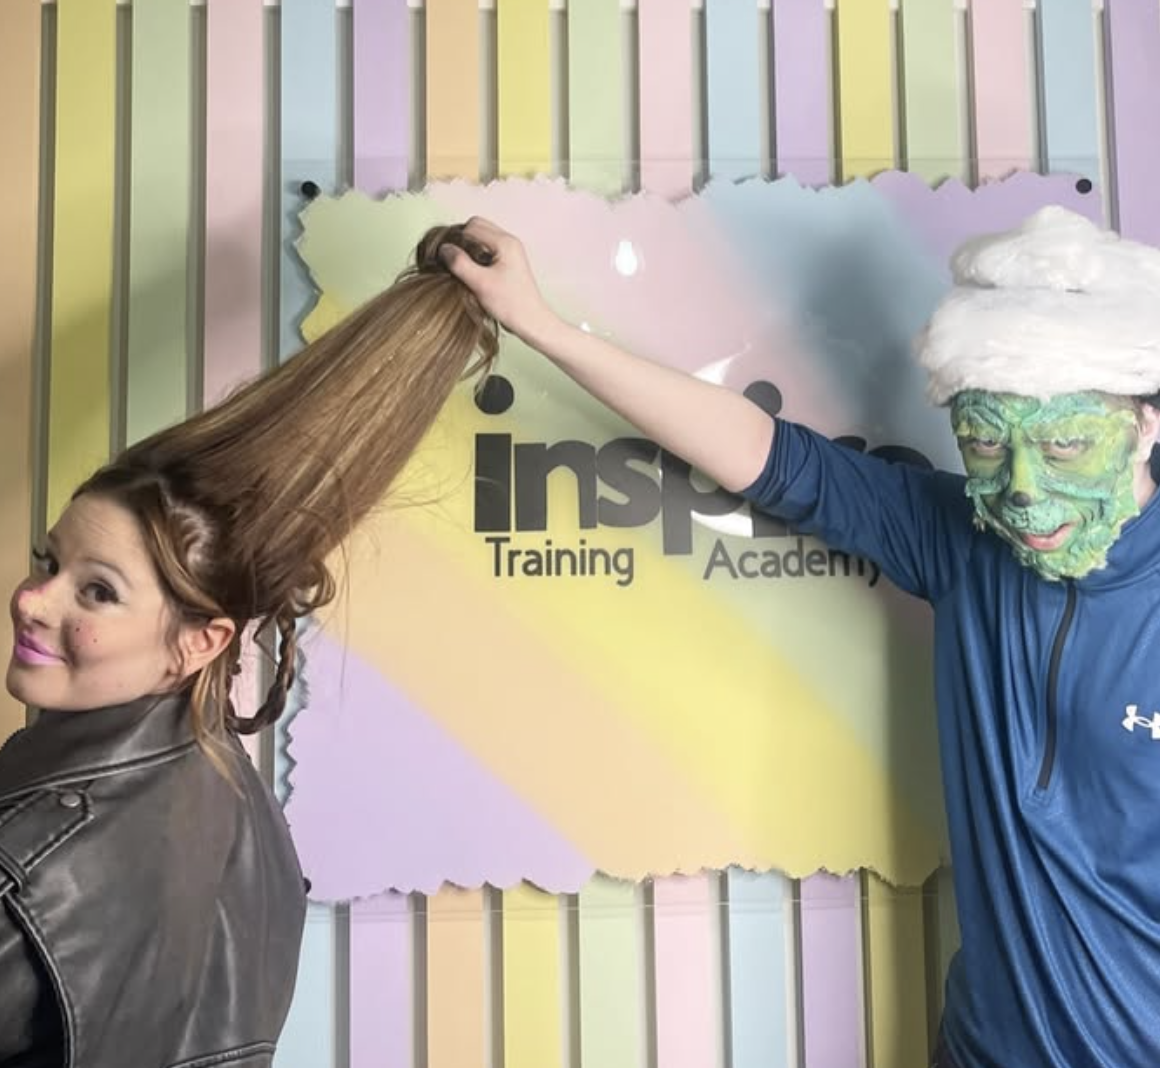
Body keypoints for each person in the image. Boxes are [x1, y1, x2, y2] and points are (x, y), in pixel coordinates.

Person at [444, 209, 1160, 1068]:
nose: (1024, 490)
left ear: (1146, 424)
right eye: (983, 444)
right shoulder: (963, 541)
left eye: (1068, 445)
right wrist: (544, 325)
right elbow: (766, 453)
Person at [0, 225, 499, 1067]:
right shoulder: (246, 815)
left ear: (198, 643)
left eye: (97, 591)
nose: (31, 599)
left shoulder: (30, 876)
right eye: (48, 561)